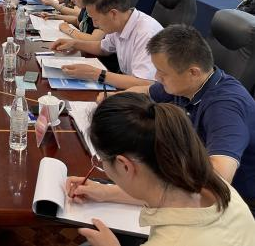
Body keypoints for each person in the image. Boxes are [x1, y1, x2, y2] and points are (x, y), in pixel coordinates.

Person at [66, 92, 255, 246]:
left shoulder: (171, 241)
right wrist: (105, 192)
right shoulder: (213, 183)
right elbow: (156, 190)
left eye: (101, 161)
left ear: (125, 165)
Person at [115, 25, 255, 213]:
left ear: (193, 72)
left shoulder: (225, 107)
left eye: (162, 72)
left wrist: (113, 193)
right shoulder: (187, 84)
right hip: (189, 173)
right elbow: (143, 92)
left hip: (236, 202)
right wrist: (108, 102)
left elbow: (218, 180)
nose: (157, 77)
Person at [50, 0, 163, 89]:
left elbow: (146, 84)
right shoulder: (120, 23)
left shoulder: (146, 34)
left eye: (96, 19)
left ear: (113, 14)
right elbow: (103, 48)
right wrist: (75, 44)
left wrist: (94, 74)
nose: (94, 25)